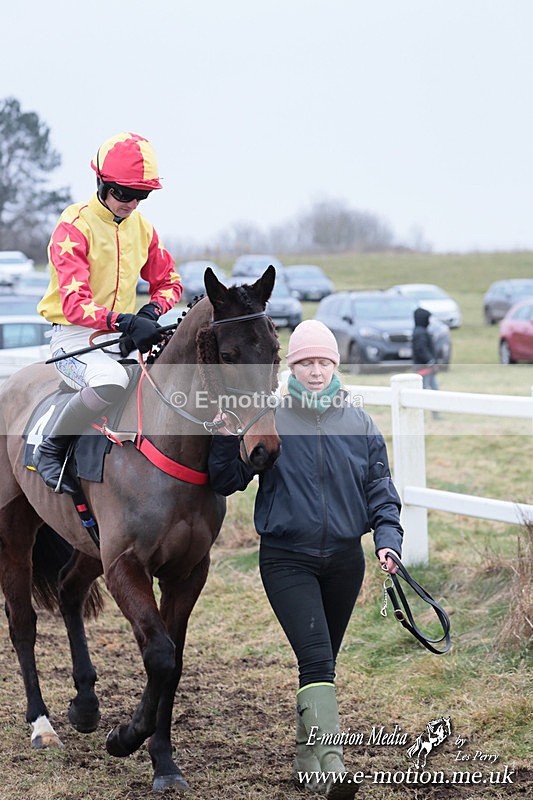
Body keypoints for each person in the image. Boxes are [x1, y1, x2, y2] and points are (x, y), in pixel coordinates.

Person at [208, 319, 404, 798]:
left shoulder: (358, 423)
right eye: (305, 362)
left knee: (321, 666)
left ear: (334, 366)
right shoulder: (268, 415)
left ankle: (305, 757)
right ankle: (334, 764)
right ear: (291, 367)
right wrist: (220, 439)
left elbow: (380, 490)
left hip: (344, 561)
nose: (315, 371)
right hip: (286, 559)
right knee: (317, 660)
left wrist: (387, 539)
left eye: (323, 362)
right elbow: (227, 480)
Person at [34, 132, 182, 494]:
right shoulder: (74, 225)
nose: (132, 203)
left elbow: (171, 282)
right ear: (101, 183)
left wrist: (150, 311)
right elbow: (74, 303)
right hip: (72, 337)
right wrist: (124, 320)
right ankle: (50, 450)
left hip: (122, 337)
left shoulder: (143, 229)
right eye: (124, 193)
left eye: (141, 195)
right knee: (111, 382)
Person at [412, 307, 441, 418]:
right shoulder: (421, 333)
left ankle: (435, 414)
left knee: (433, 390)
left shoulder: (418, 331)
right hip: (425, 367)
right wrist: (431, 361)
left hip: (425, 367)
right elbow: (421, 349)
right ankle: (423, 415)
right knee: (426, 391)